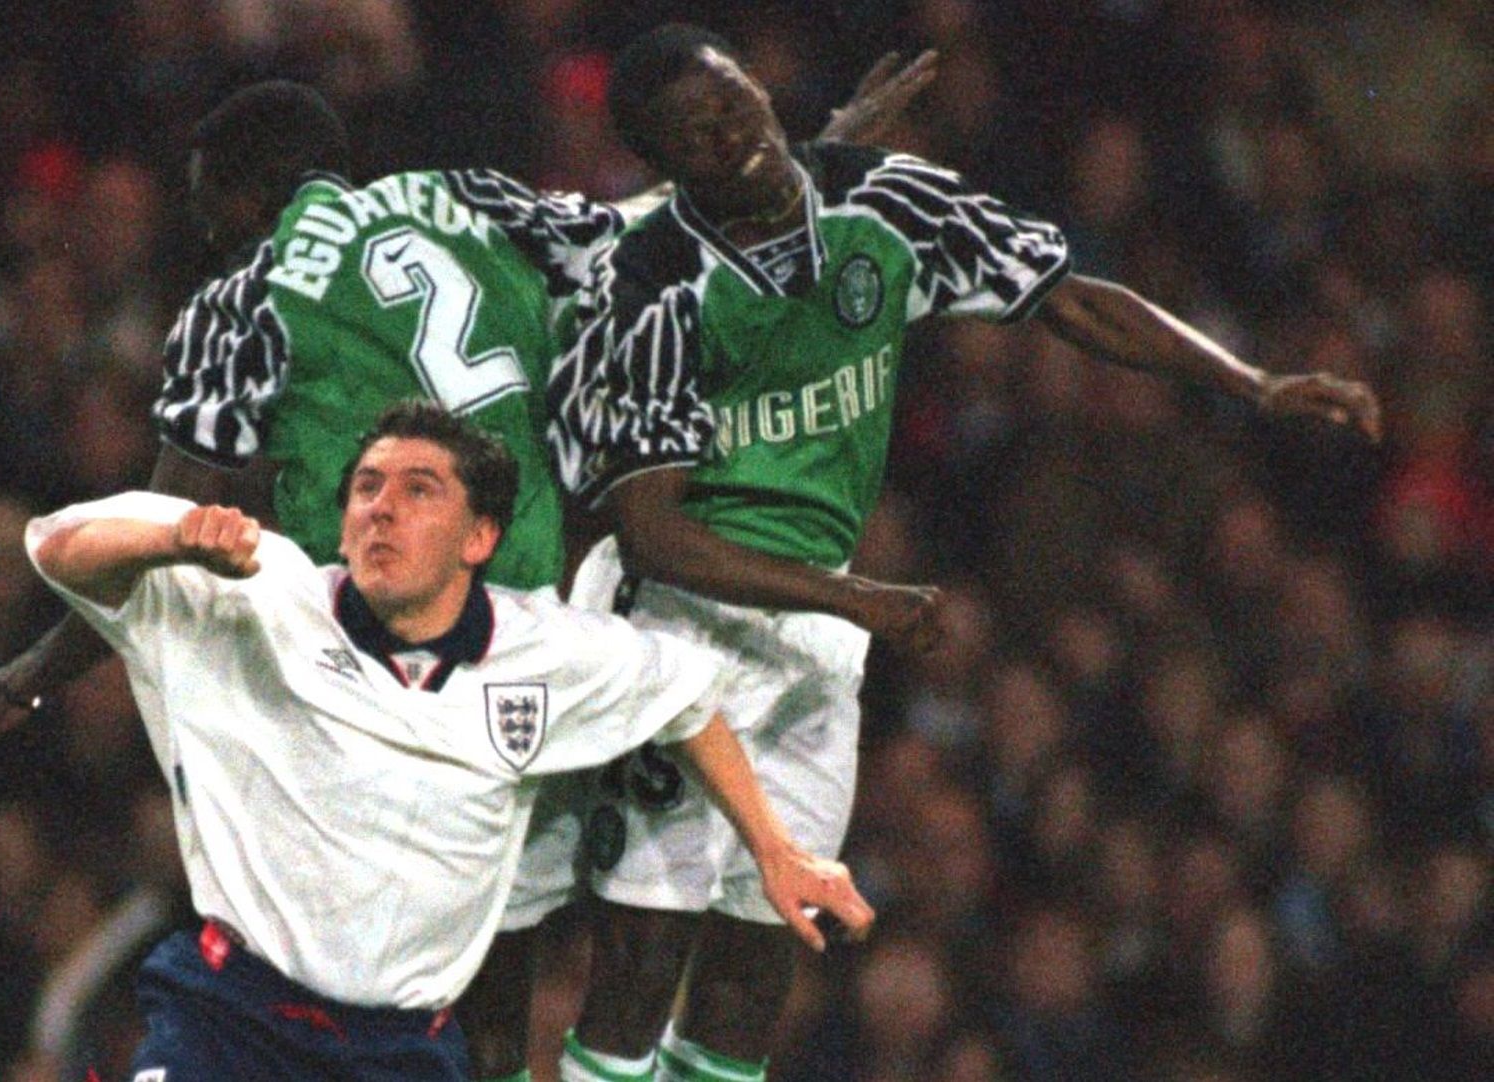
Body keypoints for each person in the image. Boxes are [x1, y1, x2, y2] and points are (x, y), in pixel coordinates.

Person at [0, 67, 937, 1079]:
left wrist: (11, 686)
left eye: (212, 203)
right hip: (526, 635)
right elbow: (646, 226)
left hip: (355, 664)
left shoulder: (243, 295)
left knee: (390, 969)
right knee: (508, 970)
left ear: (252, 189)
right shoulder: (469, 198)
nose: (207, 230)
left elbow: (160, 537)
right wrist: (810, 156)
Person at [544, 23, 1385, 1082]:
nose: (732, 133)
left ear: (759, 84)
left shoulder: (883, 201)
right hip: (679, 636)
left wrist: (1253, 381)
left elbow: (1067, 295)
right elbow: (655, 532)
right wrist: (854, 596)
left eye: (734, 100)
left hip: (814, 644)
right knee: (639, 961)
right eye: (697, 134)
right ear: (664, 164)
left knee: (758, 966)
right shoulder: (655, 285)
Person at [24, 401, 875, 1080]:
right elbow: (58, 549)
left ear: (480, 538)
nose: (382, 508)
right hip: (231, 1024)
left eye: (419, 489)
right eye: (366, 488)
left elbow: (686, 697)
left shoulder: (548, 653)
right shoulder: (257, 596)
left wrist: (773, 848)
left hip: (403, 1051)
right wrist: (171, 539)